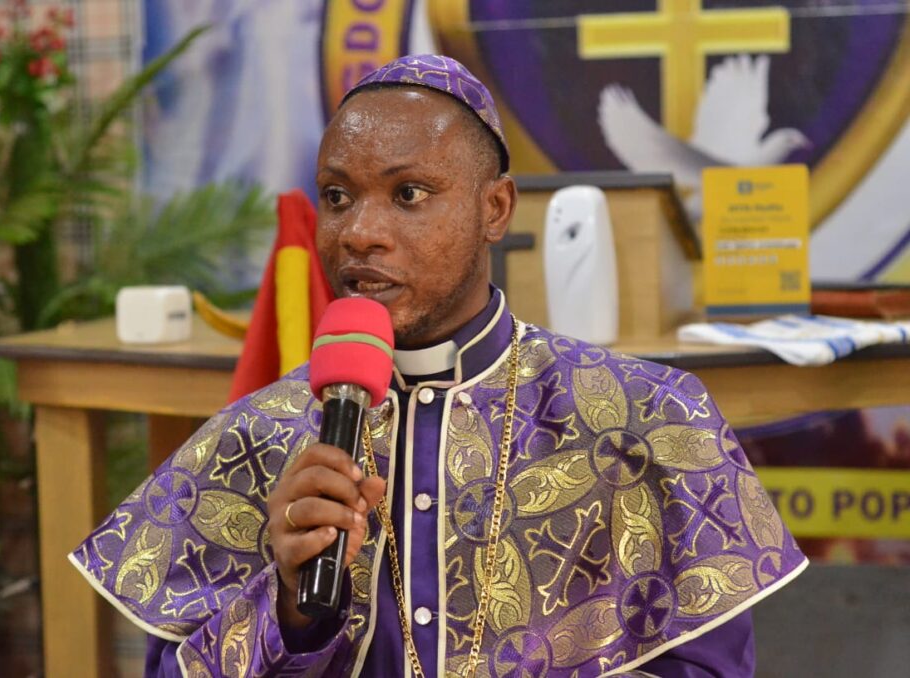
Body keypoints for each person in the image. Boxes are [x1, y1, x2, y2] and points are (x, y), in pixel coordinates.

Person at [70, 54, 807, 677]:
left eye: (409, 194)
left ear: (496, 209)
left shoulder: (644, 418)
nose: (359, 232)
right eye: (337, 197)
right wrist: (289, 608)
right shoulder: (256, 437)